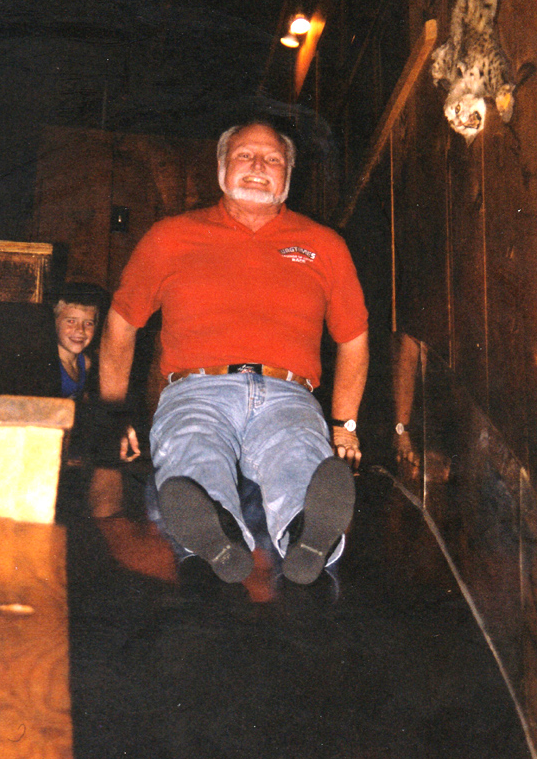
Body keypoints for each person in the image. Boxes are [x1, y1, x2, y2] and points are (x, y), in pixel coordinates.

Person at [98, 121, 369, 585]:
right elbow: (121, 323)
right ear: (222, 167)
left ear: (288, 176)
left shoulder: (325, 245)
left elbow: (354, 339)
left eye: (273, 159)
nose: (258, 166)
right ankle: (217, 534)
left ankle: (306, 535)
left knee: (298, 452)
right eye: (245, 155)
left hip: (288, 394)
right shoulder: (170, 236)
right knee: (192, 448)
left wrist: (345, 426)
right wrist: (111, 411)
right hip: (196, 390)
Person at [52, 282, 101, 400]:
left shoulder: (85, 362)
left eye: (88, 323)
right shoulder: (49, 366)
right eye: (71, 321)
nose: (80, 330)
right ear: (54, 322)